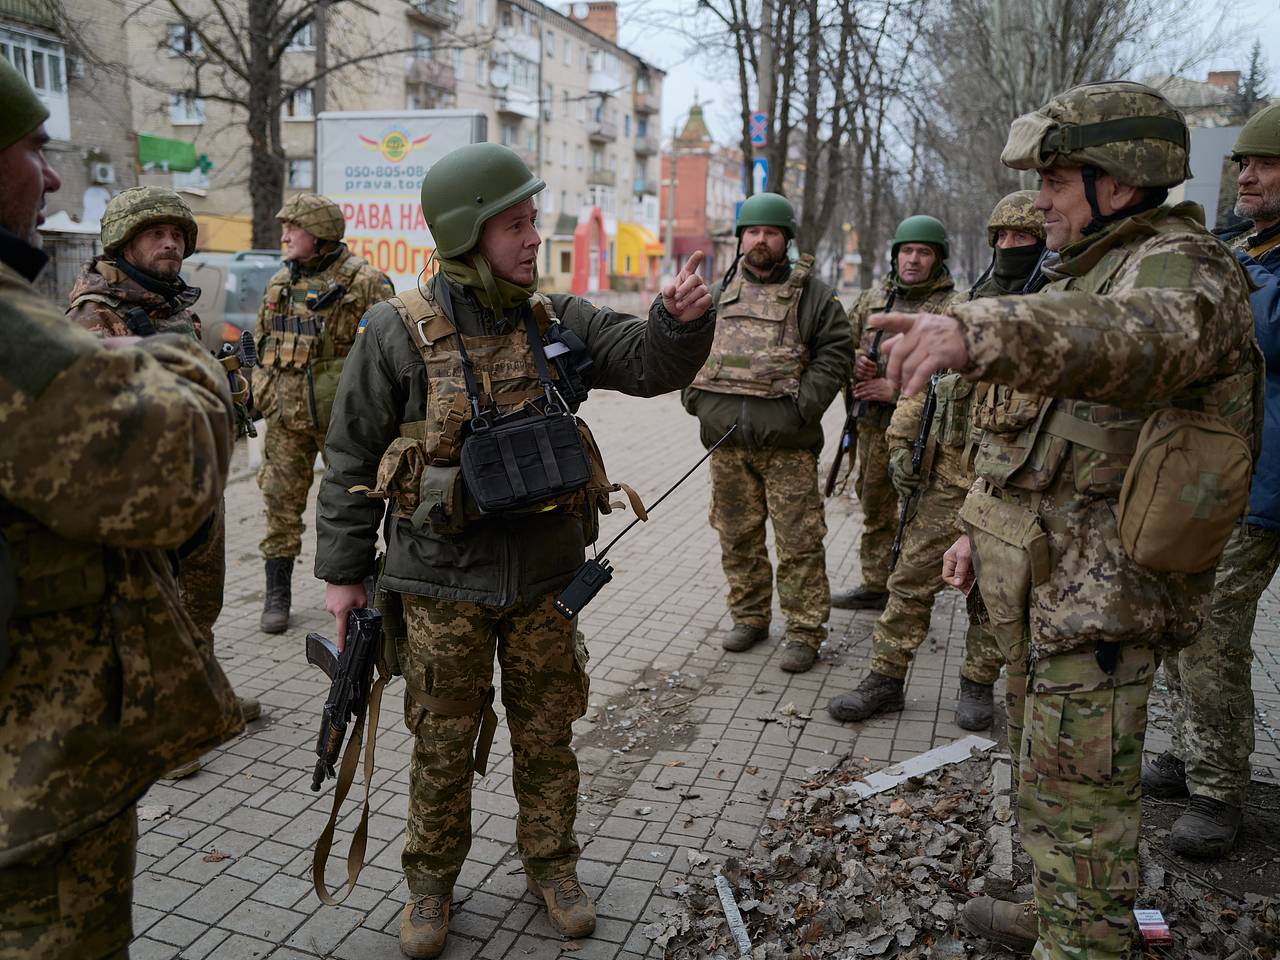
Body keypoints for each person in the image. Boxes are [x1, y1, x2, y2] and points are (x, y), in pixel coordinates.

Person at [873, 82, 1260, 960]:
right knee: (1046, 791)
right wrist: (976, 527)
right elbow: (1030, 440)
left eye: (1055, 177)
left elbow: (1132, 338)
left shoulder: (1184, 270)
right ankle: (1057, 914)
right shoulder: (1085, 273)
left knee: (1086, 817)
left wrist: (980, 330)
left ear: (1117, 183)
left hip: (1103, 612)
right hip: (1045, 598)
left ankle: (1082, 940)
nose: (1038, 199)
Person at [314, 143, 715, 958]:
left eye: (535, 222)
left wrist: (677, 321)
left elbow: (647, 363)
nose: (537, 238)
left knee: (547, 733)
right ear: (468, 236)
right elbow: (351, 460)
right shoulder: (394, 332)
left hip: (544, 582)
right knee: (439, 742)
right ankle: (429, 886)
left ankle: (553, 866)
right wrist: (344, 576)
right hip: (438, 586)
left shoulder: (556, 321)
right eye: (518, 225)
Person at [0, 57, 241, 960]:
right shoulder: (57, 320)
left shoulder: (160, 307)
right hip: (37, 777)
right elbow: (162, 470)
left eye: (181, 239)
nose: (50, 173)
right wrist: (192, 365)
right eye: (31, 148)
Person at [828, 192, 1044, 730]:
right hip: (946, 478)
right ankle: (885, 677)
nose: (1012, 247)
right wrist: (902, 443)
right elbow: (922, 384)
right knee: (909, 580)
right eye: (1005, 237)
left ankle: (976, 683)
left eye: (1025, 238)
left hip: (1008, 488)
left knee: (993, 592)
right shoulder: (963, 308)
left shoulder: (1052, 314)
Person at [66, 186, 260, 742]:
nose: (171, 244)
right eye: (157, 234)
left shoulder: (170, 307)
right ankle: (164, 729)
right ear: (125, 241)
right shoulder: (97, 315)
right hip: (144, 492)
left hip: (198, 480)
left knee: (201, 598)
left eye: (177, 235)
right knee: (151, 611)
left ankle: (200, 696)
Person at [1143, 101, 1280, 859]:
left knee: (1216, 636)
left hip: (1262, 488)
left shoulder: (1248, 259)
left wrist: (1224, 272)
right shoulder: (1243, 245)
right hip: (1221, 479)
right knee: (1181, 622)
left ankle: (1220, 788)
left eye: (1264, 165)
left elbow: (1256, 330)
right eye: (1243, 165)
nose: (1247, 177)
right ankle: (1192, 751)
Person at [682, 192, 852, 673]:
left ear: (786, 241)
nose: (760, 240)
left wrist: (801, 408)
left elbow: (836, 351)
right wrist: (697, 403)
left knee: (798, 542)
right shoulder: (716, 294)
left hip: (787, 450)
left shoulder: (814, 296)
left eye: (770, 232)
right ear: (740, 239)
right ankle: (750, 617)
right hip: (726, 446)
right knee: (737, 537)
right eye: (752, 231)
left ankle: (803, 631)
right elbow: (686, 350)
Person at [253, 193, 394, 633]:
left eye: (293, 227)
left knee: (355, 498)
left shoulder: (366, 282)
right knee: (279, 503)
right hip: (286, 418)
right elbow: (260, 343)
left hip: (344, 423)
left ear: (320, 233)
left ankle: (364, 584)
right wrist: (263, 390)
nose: (285, 236)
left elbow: (388, 352)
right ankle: (277, 592)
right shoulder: (279, 283)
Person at [832, 215, 961, 611]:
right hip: (871, 429)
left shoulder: (954, 307)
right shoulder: (872, 300)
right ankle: (875, 584)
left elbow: (959, 378)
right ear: (895, 256)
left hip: (927, 440)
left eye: (924, 252)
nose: (914, 260)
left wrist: (896, 389)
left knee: (920, 517)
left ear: (938, 259)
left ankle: (912, 593)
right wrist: (852, 364)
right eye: (907, 251)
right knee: (875, 508)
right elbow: (837, 350)